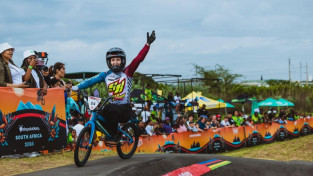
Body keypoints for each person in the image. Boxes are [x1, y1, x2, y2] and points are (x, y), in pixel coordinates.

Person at [72, 31, 156, 143]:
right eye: (113, 60)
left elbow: (138, 59)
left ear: (122, 61)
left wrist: (147, 45)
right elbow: (91, 80)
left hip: (125, 109)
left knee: (109, 108)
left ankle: (115, 135)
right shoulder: (106, 75)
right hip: (111, 108)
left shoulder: (127, 72)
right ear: (109, 62)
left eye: (117, 60)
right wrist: (76, 87)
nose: (115, 62)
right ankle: (108, 133)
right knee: (97, 114)